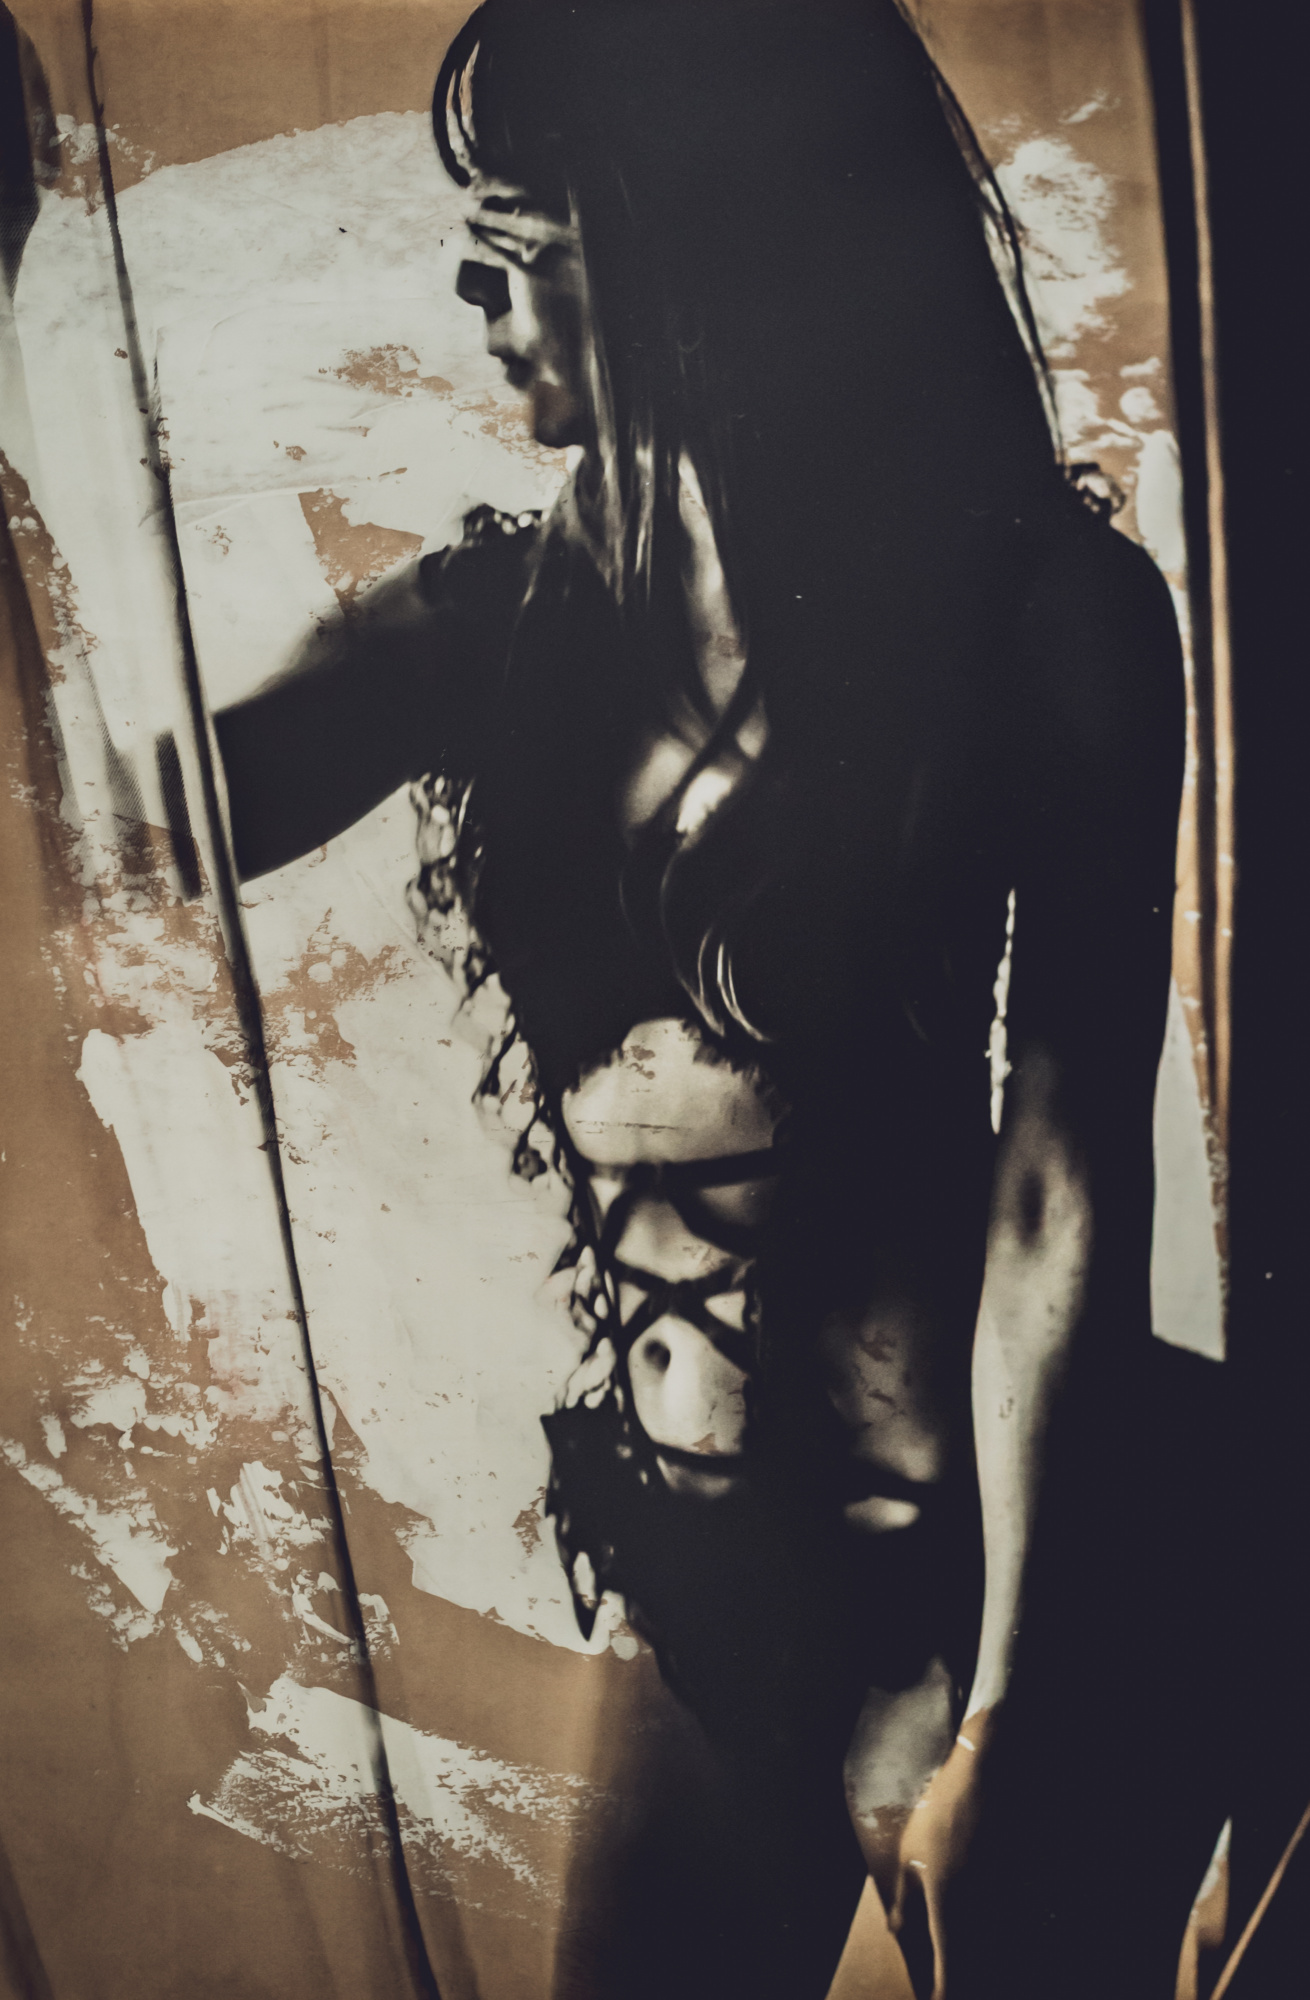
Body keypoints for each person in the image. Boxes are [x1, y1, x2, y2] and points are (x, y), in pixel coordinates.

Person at [216, 3, 1223, 1992]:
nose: (473, 292)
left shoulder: (1049, 616)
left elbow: (1059, 1179)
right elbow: (123, 804)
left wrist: (1005, 1718)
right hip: (720, 1593)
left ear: (695, 240)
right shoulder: (505, 624)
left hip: (1015, 1578)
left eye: (526, 235)